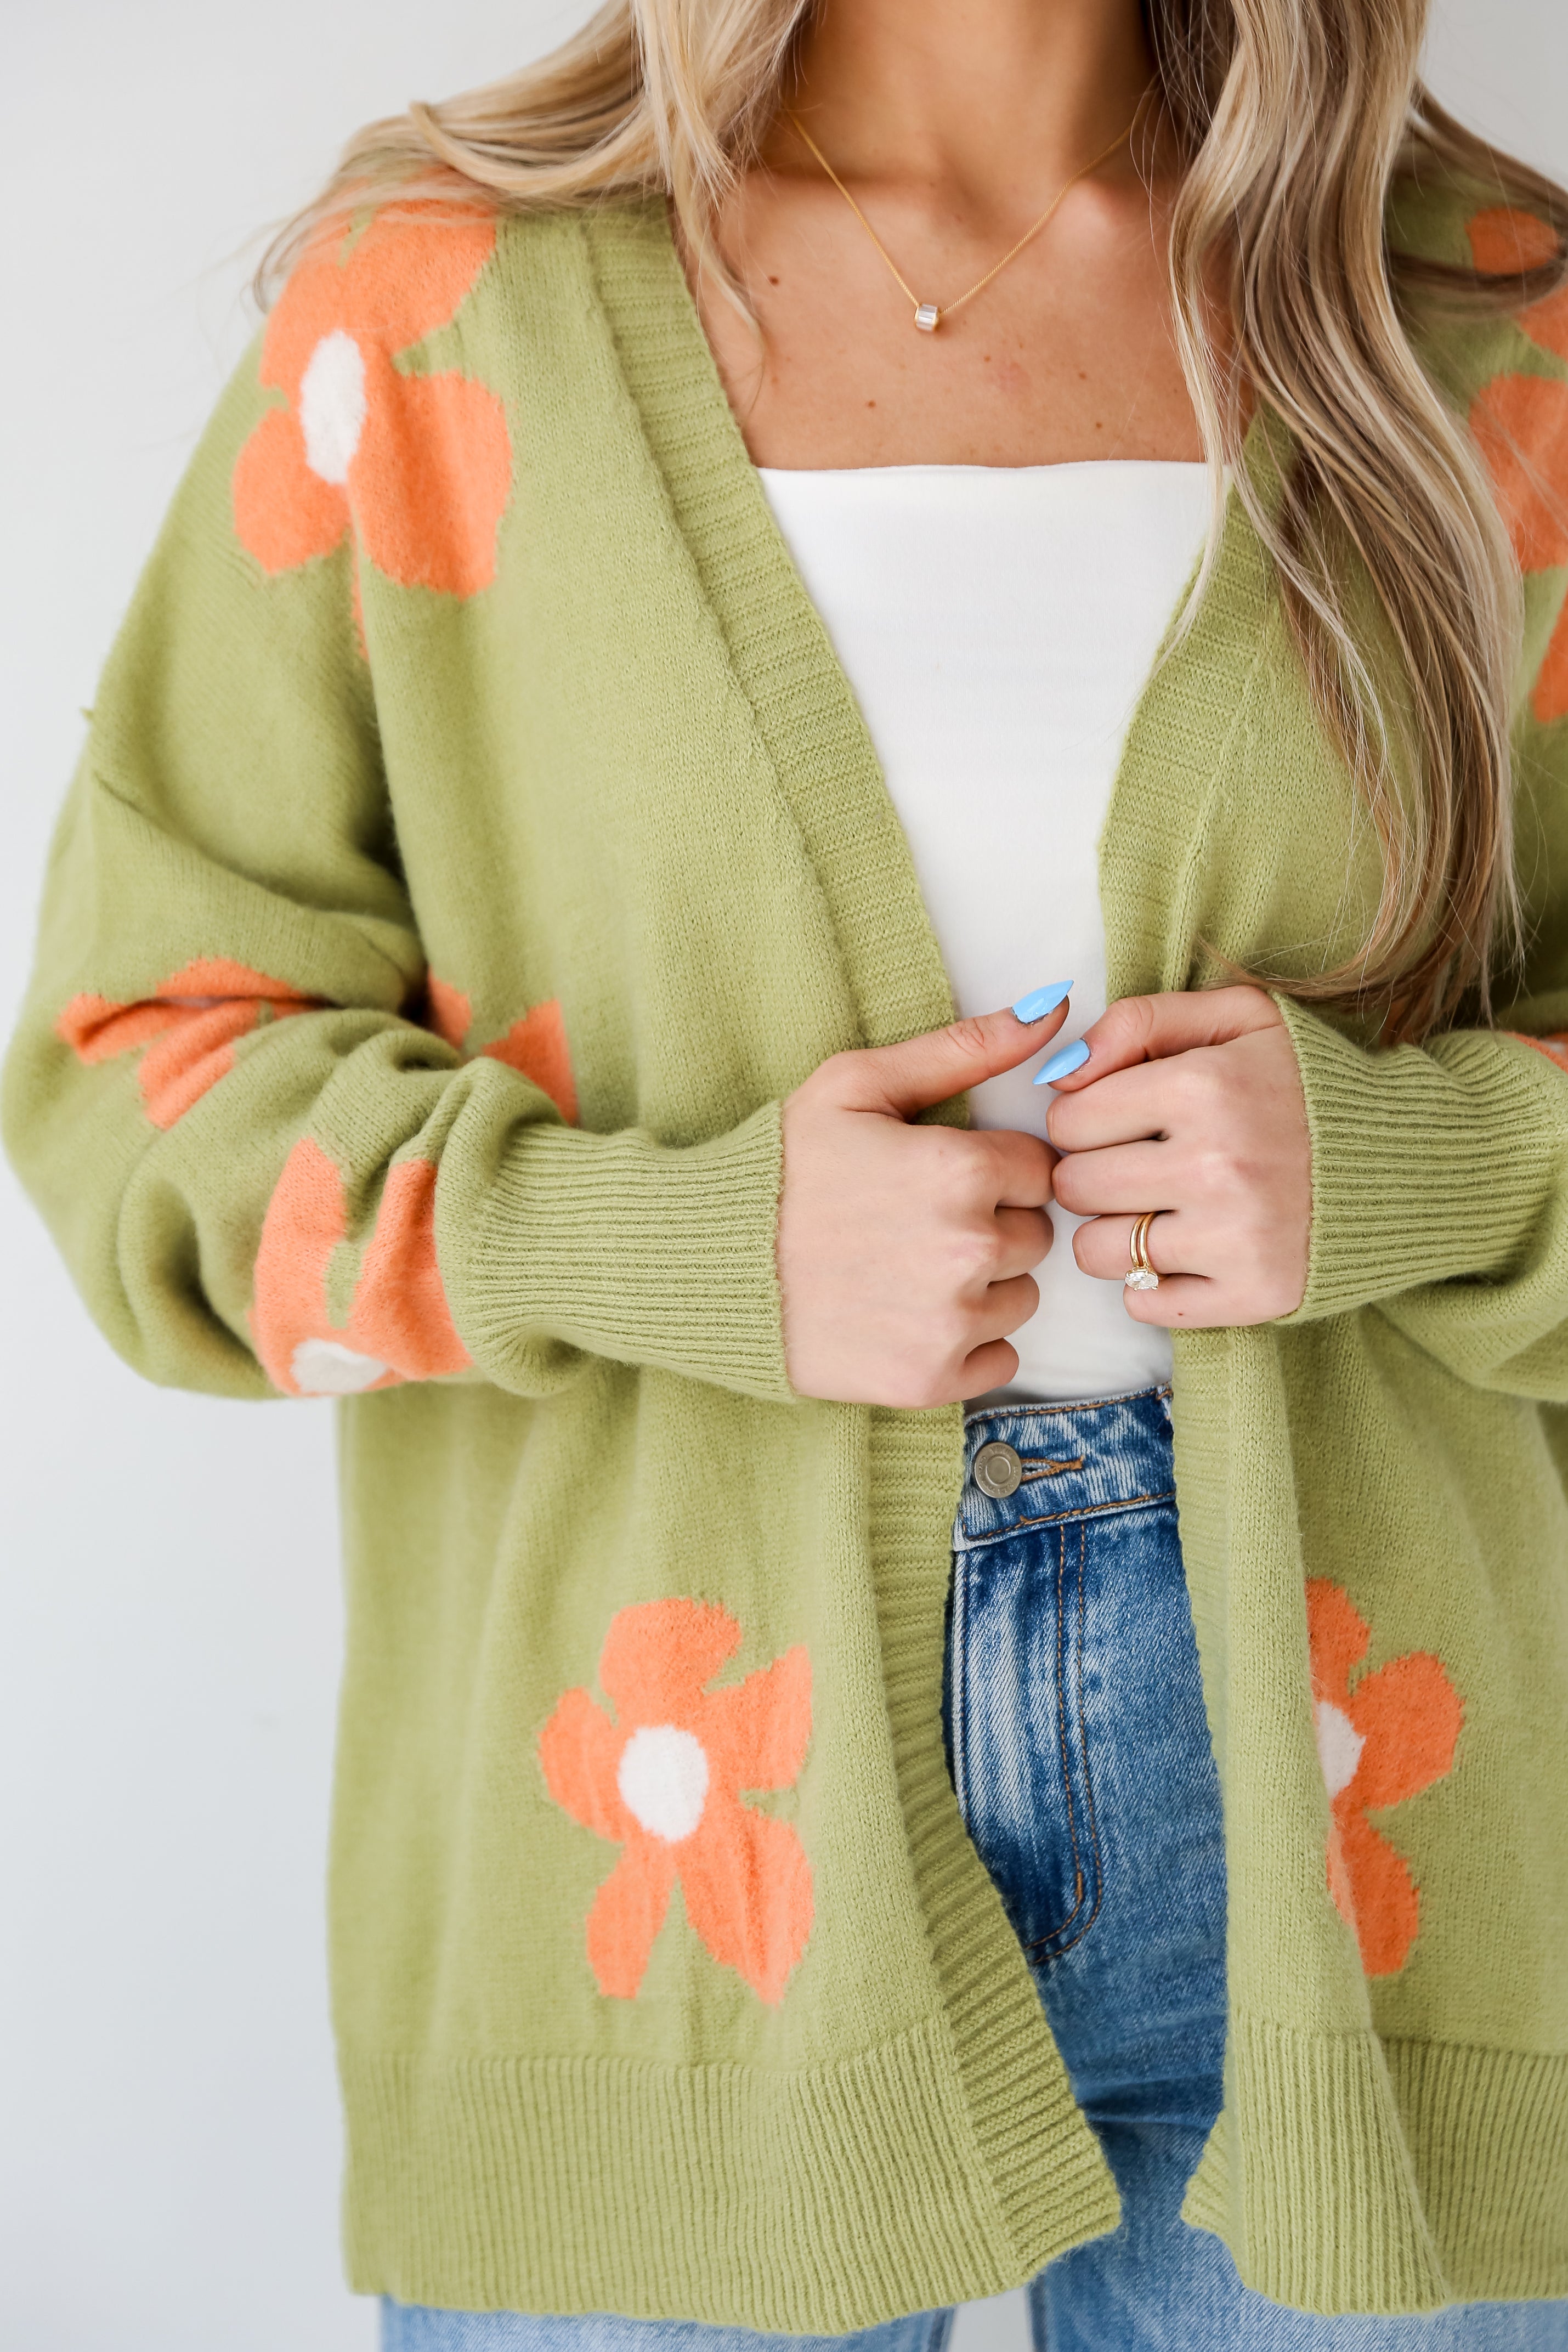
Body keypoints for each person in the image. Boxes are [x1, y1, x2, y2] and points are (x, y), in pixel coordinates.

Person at [7, 0, 1568, 2344]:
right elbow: (140, 1076)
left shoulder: (1489, 318)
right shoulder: (440, 308)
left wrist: (1420, 1162)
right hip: (652, 1845)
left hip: (1394, 1857)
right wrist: (664, 1241)